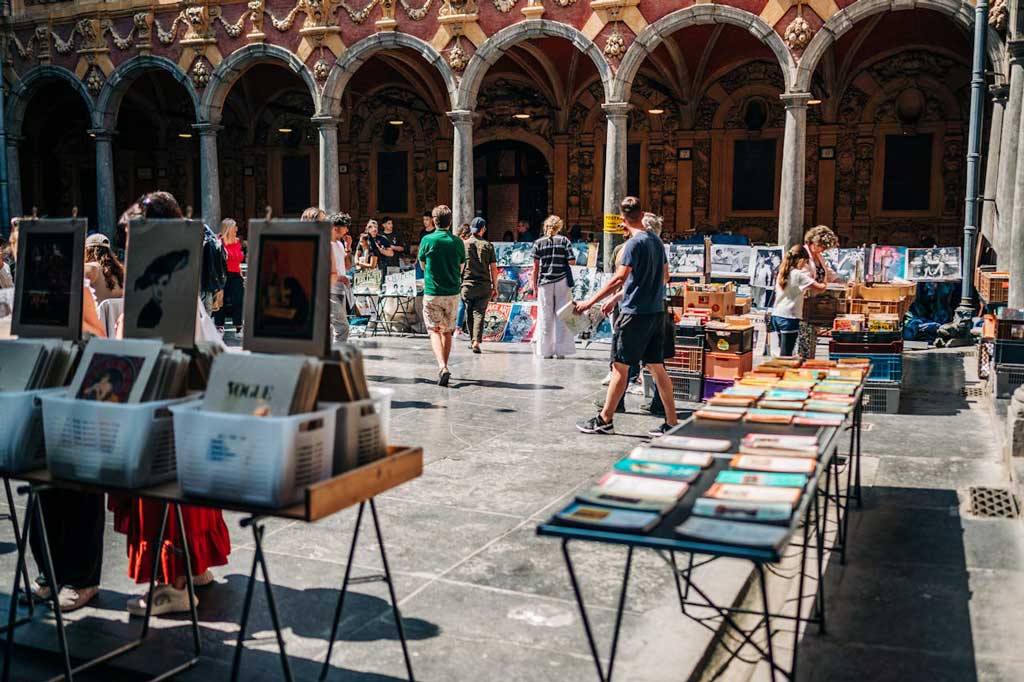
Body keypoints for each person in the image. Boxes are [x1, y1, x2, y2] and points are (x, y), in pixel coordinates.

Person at [112, 191, 231, 616]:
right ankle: (194, 570)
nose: (127, 251)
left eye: (133, 240)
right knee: (188, 495)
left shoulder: (159, 293)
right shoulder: (180, 291)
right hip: (185, 407)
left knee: (162, 498)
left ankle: (174, 584)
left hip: (165, 410)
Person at [576, 196, 677, 437]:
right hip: (655, 312)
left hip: (634, 314)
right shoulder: (656, 241)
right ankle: (672, 422)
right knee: (657, 367)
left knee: (620, 366)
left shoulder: (633, 244)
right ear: (642, 215)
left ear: (622, 220)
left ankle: (605, 419)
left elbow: (620, 277)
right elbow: (665, 277)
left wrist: (590, 301)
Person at [418, 205, 465, 386]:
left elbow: (422, 265)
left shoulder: (427, 240)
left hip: (433, 292)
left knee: (433, 330)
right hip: (452, 292)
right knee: (447, 331)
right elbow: (461, 267)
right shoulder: (458, 242)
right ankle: (445, 365)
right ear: (450, 221)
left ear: (434, 220)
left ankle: (442, 366)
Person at [530, 215, 576, 359]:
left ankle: (545, 351)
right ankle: (561, 350)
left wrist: (534, 285)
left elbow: (535, 267)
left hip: (544, 283)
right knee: (562, 314)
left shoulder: (538, 243)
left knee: (545, 316)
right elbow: (572, 261)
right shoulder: (564, 241)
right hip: (562, 280)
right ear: (559, 227)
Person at [772, 245, 828, 356]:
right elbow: (820, 288)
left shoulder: (782, 272)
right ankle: (783, 371)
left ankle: (779, 370)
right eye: (805, 262)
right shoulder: (798, 274)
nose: (804, 265)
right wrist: (825, 279)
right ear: (801, 260)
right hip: (789, 317)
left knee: (780, 352)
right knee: (786, 354)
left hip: (777, 315)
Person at [799, 225, 844, 359]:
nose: (823, 250)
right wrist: (820, 286)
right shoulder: (802, 254)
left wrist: (839, 282)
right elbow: (803, 277)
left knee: (811, 336)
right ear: (813, 242)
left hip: (817, 301)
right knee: (804, 338)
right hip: (804, 302)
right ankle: (803, 361)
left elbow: (827, 272)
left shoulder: (818, 256)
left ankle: (808, 359)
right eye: (822, 246)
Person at [461, 217, 498, 353]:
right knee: (479, 313)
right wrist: (496, 287)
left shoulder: (463, 244)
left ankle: (473, 340)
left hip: (467, 284)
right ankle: (476, 341)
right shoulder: (488, 246)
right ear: (483, 229)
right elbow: (494, 268)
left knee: (468, 312)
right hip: (483, 286)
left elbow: (460, 266)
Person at [214, 218, 244, 334]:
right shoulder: (219, 242)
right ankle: (219, 325)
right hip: (223, 274)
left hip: (236, 274)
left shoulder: (237, 242)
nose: (236, 229)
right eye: (234, 227)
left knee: (238, 299)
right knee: (221, 301)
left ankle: (238, 325)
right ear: (228, 229)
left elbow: (238, 261)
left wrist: (241, 275)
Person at [329, 213, 352, 343]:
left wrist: (348, 247)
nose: (347, 230)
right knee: (343, 327)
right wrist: (341, 278)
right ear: (336, 227)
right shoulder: (326, 244)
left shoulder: (339, 244)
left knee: (334, 327)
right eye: (345, 227)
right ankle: (337, 356)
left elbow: (347, 266)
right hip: (330, 289)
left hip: (340, 290)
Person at [84, 232, 124, 304]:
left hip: (94, 314)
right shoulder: (120, 272)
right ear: (109, 252)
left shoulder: (90, 268)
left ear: (87, 251)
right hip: (115, 315)